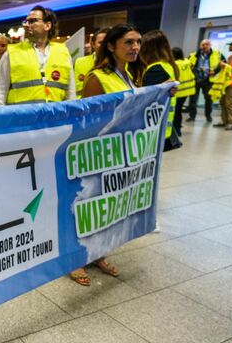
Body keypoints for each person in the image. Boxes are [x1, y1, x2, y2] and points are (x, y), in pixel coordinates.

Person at [71, 24, 143, 286]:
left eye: (137, 42)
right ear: (112, 46)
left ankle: (98, 253)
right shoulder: (97, 78)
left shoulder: (129, 75)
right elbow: (85, 122)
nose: (135, 47)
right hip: (97, 154)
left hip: (119, 153)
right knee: (86, 206)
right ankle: (75, 260)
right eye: (128, 42)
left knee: (106, 207)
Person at [0, 5, 75, 106]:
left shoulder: (63, 52)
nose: (26, 25)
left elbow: (71, 92)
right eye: (25, 21)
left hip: (54, 119)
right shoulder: (12, 53)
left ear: (47, 26)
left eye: (32, 21)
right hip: (23, 119)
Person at [140, 30, 181, 150]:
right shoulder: (168, 65)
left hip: (153, 127)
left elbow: (145, 99)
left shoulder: (155, 69)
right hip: (164, 125)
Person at [187, 39, 225, 122]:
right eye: (203, 44)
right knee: (193, 99)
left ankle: (208, 116)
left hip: (208, 79)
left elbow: (223, 64)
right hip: (196, 79)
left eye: (206, 44)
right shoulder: (193, 55)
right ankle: (192, 116)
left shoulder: (217, 54)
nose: (204, 46)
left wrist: (215, 71)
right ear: (200, 46)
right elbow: (188, 65)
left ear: (210, 45)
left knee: (208, 99)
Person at [73, 28, 109, 98]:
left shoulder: (118, 63)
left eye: (107, 42)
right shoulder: (80, 62)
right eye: (101, 42)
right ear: (93, 44)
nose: (104, 45)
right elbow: (76, 90)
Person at [172, 47, 196, 136]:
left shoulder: (174, 64)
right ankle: (178, 129)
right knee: (179, 110)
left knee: (175, 111)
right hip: (186, 91)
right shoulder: (187, 62)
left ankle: (176, 130)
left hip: (178, 91)